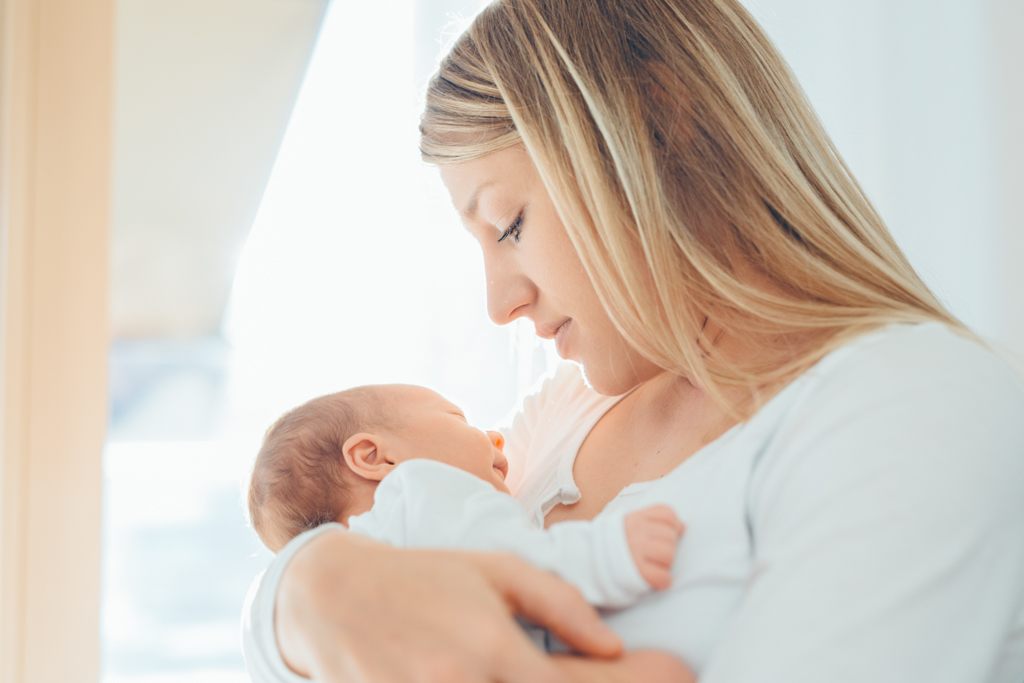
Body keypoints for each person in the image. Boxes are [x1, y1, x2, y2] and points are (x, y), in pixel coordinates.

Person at [242, 0, 1024, 681]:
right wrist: (302, 594)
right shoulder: (562, 417)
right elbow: (386, 536)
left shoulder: (910, 407)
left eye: (510, 225)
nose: (499, 302)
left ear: (655, 129)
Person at [245, 384, 684, 610]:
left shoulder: (355, 584)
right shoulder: (420, 497)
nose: (494, 437)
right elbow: (519, 562)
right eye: (459, 419)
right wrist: (610, 552)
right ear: (372, 457)